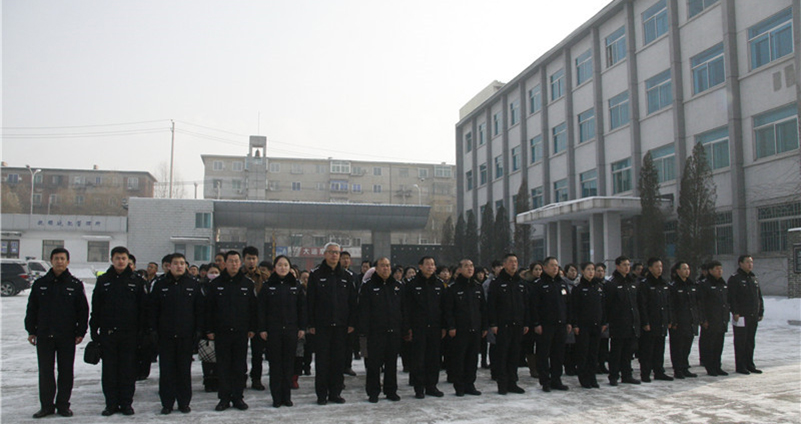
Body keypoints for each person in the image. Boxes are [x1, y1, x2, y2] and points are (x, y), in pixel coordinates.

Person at [25, 247, 89, 419]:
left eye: (62, 258)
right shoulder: (40, 284)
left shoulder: (75, 285)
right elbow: (32, 308)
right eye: (56, 258)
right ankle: (46, 406)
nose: (59, 261)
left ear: (67, 262)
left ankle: (63, 405)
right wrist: (31, 330)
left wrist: (80, 332)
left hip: (67, 336)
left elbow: (83, 310)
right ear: (51, 261)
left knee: (66, 371)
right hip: (45, 335)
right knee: (46, 372)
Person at [90, 246, 147, 416]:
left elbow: (143, 308)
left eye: (123, 258)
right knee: (109, 371)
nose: (121, 261)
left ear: (128, 260)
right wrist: (94, 330)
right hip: (108, 334)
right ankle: (111, 404)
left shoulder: (137, 281)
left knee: (128, 370)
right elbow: (96, 307)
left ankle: (126, 403)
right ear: (112, 259)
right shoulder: (103, 281)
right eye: (117, 258)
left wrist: (143, 332)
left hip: (130, 334)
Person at [150, 253, 204, 415]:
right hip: (165, 336)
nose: (179, 266)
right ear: (169, 266)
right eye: (176, 263)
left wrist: (198, 331)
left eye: (182, 263)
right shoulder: (160, 284)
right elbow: (152, 310)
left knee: (183, 371)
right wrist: (152, 330)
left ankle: (184, 402)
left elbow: (199, 310)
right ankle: (167, 403)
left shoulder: (193, 284)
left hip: (186, 336)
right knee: (166, 371)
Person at [207, 250, 259, 411]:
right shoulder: (215, 284)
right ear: (224, 263)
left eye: (237, 261)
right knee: (223, 367)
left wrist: (252, 328)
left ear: (240, 262)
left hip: (240, 332)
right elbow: (209, 309)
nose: (234, 264)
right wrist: (209, 329)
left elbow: (253, 309)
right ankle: (224, 398)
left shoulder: (247, 284)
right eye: (230, 261)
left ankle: (238, 397)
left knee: (239, 366)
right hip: (221, 332)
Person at [307, 243, 357, 405]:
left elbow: (352, 302)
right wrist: (311, 323)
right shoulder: (315, 275)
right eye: (331, 252)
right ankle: (321, 394)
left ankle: (335, 392)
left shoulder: (347, 276)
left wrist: (351, 322)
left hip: (341, 326)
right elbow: (310, 301)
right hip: (322, 326)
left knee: (338, 361)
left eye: (337, 253)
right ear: (325, 254)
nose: (334, 255)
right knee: (322, 362)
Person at [259, 255, 307, 408]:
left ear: (290, 267)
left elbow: (302, 309)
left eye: (286, 265)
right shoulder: (267, 286)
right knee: (275, 365)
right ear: (275, 268)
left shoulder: (296, 286)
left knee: (288, 365)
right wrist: (262, 329)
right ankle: (276, 397)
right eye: (280, 265)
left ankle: (287, 396)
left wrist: (302, 328)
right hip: (273, 331)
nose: (283, 268)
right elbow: (261, 310)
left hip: (291, 331)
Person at [359, 257, 407, 403]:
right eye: (382, 266)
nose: (386, 268)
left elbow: (403, 309)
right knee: (374, 365)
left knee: (391, 364)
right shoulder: (368, 286)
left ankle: (391, 390)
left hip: (394, 331)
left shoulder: (398, 286)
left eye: (387, 265)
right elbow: (363, 310)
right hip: (375, 333)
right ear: (376, 268)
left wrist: (404, 329)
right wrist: (364, 331)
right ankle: (373, 392)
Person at [443, 259, 487, 396]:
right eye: (466, 266)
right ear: (460, 270)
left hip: (475, 329)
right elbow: (448, 310)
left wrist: (484, 326)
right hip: (459, 330)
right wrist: (451, 326)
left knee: (472, 359)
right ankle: (459, 386)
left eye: (472, 266)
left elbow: (483, 309)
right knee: (459, 359)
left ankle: (470, 384)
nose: (470, 268)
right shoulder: (453, 288)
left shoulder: (477, 287)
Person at [487, 253, 529, 394]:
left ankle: (513, 382)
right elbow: (491, 305)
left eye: (516, 262)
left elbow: (526, 304)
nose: (514, 264)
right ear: (504, 264)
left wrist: (526, 323)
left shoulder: (521, 283)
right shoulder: (497, 283)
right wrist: (493, 323)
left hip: (517, 325)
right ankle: (502, 384)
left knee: (514, 355)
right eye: (510, 262)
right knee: (502, 355)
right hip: (502, 325)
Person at [405, 256, 446, 399]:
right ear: (420, 266)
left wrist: (444, 326)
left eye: (433, 264)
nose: (430, 267)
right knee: (418, 359)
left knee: (434, 358)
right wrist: (408, 327)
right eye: (427, 264)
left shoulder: (439, 285)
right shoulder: (411, 285)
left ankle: (431, 386)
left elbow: (443, 308)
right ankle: (419, 387)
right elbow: (406, 308)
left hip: (435, 327)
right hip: (418, 327)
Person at [530, 257, 571, 392]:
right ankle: (545, 381)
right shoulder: (539, 285)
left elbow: (567, 305)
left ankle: (556, 379)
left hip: (561, 324)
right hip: (545, 325)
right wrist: (536, 323)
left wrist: (569, 321)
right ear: (545, 268)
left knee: (558, 354)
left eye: (557, 266)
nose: (555, 268)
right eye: (552, 265)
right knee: (543, 354)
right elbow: (534, 306)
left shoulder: (562, 284)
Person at [604, 256, 641, 386]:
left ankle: (627, 375)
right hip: (618, 323)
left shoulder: (632, 282)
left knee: (628, 351)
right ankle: (613, 376)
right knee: (616, 351)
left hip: (631, 322)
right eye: (624, 265)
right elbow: (607, 305)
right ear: (618, 266)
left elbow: (636, 303)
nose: (627, 267)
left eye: (628, 264)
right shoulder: (612, 283)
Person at [637, 257, 673, 382]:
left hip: (661, 321)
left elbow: (668, 303)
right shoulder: (645, 284)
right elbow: (643, 304)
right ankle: (645, 373)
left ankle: (659, 371)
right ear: (650, 268)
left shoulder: (664, 283)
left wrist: (669, 319)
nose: (659, 269)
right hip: (650, 322)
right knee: (647, 350)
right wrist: (645, 322)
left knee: (660, 348)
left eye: (661, 267)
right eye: (657, 267)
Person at [727, 255, 764, 375]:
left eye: (751, 262)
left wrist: (760, 311)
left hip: (752, 315)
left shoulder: (753, 278)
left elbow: (759, 297)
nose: (750, 264)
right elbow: (732, 297)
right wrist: (735, 311)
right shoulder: (735, 278)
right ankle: (741, 365)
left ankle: (750, 364)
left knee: (750, 341)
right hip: (741, 316)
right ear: (740, 263)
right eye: (747, 262)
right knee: (740, 341)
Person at [571, 262, 605, 389]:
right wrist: (575, 324)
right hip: (583, 326)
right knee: (583, 352)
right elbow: (574, 308)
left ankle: (592, 377)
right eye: (588, 269)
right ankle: (584, 378)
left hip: (596, 325)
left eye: (593, 269)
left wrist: (603, 322)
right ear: (583, 271)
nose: (591, 272)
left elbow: (603, 306)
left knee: (593, 353)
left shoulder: (598, 287)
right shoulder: (578, 288)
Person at [242, 246, 269, 391]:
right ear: (243, 259)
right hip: (242, 319)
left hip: (259, 320)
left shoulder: (264, 276)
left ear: (257, 259)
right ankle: (241, 377)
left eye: (253, 259)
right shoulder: (238, 275)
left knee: (257, 353)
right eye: (248, 258)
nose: (251, 261)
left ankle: (256, 378)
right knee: (240, 352)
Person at [669, 261, 701, 379]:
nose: (687, 271)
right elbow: (671, 305)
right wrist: (673, 321)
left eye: (688, 269)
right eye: (684, 269)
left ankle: (685, 367)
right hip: (678, 322)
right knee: (678, 347)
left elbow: (696, 303)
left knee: (687, 345)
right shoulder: (673, 287)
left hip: (690, 320)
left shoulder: (692, 285)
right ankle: (678, 369)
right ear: (677, 271)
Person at [698, 260, 730, 376]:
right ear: (710, 271)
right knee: (709, 345)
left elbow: (726, 301)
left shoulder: (722, 284)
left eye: (720, 269)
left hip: (721, 319)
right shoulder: (704, 284)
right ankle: (709, 366)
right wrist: (703, 319)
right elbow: (700, 304)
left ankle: (717, 365)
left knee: (718, 345)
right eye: (716, 269)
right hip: (710, 320)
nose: (719, 271)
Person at [199, 264, 222, 393]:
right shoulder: (202, 287)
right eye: (211, 272)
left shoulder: (221, 285)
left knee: (218, 356)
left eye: (216, 272)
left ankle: (217, 378)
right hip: (205, 326)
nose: (214, 274)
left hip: (219, 326)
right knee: (207, 355)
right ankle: (208, 379)